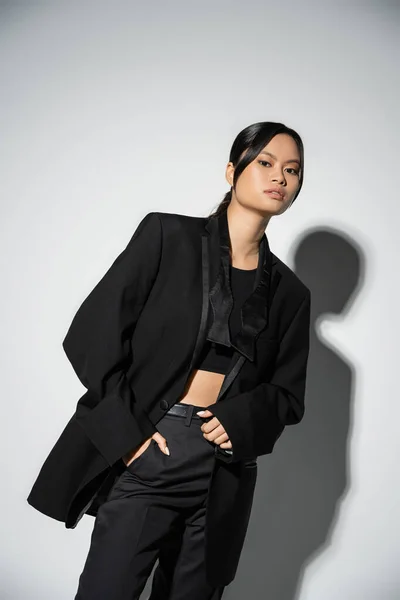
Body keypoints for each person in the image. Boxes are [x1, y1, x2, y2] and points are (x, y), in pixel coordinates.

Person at [27, 121, 311, 600]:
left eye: (292, 170)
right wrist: (127, 435)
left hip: (224, 470)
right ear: (232, 170)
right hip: (151, 446)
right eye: (265, 163)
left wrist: (241, 421)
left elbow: (288, 396)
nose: (279, 177)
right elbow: (91, 334)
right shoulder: (168, 236)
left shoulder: (290, 293)